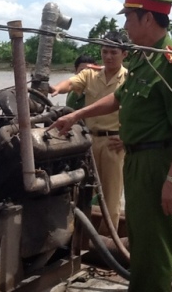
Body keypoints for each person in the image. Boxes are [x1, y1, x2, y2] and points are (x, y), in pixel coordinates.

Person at [48, 0, 172, 292]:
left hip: (156, 162)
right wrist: (75, 114)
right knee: (142, 239)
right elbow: (119, 99)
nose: (126, 25)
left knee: (155, 243)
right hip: (134, 157)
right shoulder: (144, 59)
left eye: (129, 18)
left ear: (147, 18)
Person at [50, 32, 128, 235]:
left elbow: (141, 113)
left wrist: (128, 136)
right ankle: (79, 239)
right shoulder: (91, 74)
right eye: (104, 52)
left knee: (110, 197)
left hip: (114, 142)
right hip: (88, 141)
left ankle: (106, 242)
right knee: (82, 191)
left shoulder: (130, 79)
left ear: (124, 54)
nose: (108, 56)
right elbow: (72, 82)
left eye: (113, 52)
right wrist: (56, 88)